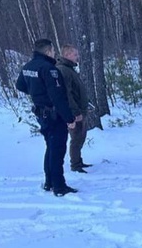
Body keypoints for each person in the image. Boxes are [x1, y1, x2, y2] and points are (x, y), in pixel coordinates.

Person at [16, 38, 78, 196]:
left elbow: (20, 85)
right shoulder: (49, 69)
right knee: (57, 150)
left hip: (40, 113)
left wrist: (36, 92)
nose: (54, 53)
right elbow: (58, 97)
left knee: (50, 147)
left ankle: (49, 181)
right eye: (53, 50)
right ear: (48, 51)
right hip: (53, 114)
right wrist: (69, 119)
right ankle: (59, 185)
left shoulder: (28, 66)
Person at [56, 44, 92, 173]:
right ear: (67, 55)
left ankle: (78, 161)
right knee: (76, 138)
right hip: (74, 112)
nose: (78, 57)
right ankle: (75, 164)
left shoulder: (70, 69)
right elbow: (67, 94)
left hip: (80, 109)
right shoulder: (63, 70)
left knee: (81, 136)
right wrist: (75, 112)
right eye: (75, 54)